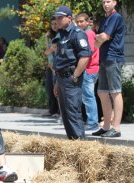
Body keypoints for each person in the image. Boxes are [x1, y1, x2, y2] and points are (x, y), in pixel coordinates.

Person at [52, 6, 91, 140]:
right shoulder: (61, 34)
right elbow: (59, 60)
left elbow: (85, 56)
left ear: (69, 18)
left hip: (71, 78)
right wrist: (57, 82)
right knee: (65, 114)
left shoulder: (77, 33)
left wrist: (75, 75)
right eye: (56, 18)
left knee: (73, 112)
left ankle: (80, 144)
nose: (57, 20)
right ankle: (72, 142)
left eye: (60, 17)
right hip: (61, 78)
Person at [94, 0, 126, 138]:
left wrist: (98, 37)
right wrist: (99, 38)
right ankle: (106, 127)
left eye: (108, 1)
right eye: (103, 2)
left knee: (115, 92)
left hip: (113, 58)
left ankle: (116, 128)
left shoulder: (116, 17)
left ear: (115, 2)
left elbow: (104, 36)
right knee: (102, 92)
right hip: (104, 58)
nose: (105, 4)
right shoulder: (105, 19)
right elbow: (97, 44)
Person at [75, 13, 100, 131]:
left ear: (87, 22)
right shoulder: (88, 33)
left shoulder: (88, 34)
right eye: (78, 22)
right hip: (92, 68)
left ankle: (92, 123)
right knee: (88, 97)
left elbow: (87, 52)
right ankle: (91, 121)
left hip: (89, 69)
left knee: (88, 97)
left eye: (81, 21)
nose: (79, 24)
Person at [44, 17, 59, 117]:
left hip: (57, 66)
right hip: (50, 66)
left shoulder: (60, 35)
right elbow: (46, 52)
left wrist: (51, 49)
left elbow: (53, 50)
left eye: (55, 23)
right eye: (52, 24)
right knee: (49, 88)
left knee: (57, 89)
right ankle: (52, 110)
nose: (54, 26)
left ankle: (59, 112)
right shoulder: (50, 36)